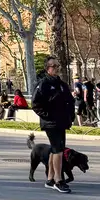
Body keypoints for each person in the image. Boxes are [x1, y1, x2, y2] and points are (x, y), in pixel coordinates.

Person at [31, 57, 76, 193]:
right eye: (53, 66)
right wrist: (48, 116)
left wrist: (70, 116)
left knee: (57, 149)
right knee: (58, 150)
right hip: (50, 123)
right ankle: (58, 179)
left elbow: (70, 101)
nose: (56, 68)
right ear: (47, 68)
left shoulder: (61, 84)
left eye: (58, 65)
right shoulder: (43, 84)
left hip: (62, 122)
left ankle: (50, 178)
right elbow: (35, 104)